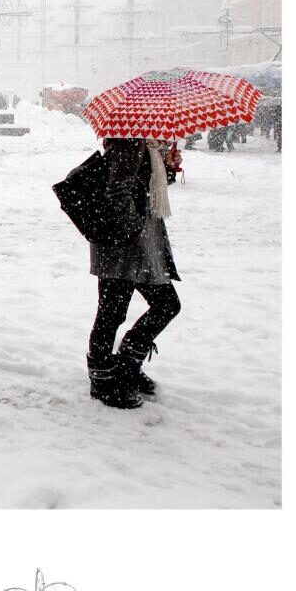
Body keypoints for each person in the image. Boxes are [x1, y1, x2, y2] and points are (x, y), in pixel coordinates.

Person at [84, 136, 182, 410]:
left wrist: (168, 169)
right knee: (112, 312)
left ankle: (127, 363)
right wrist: (133, 231)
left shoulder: (147, 145)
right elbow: (117, 192)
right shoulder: (128, 142)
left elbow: (143, 188)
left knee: (166, 305)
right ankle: (102, 379)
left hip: (141, 246)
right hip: (122, 244)